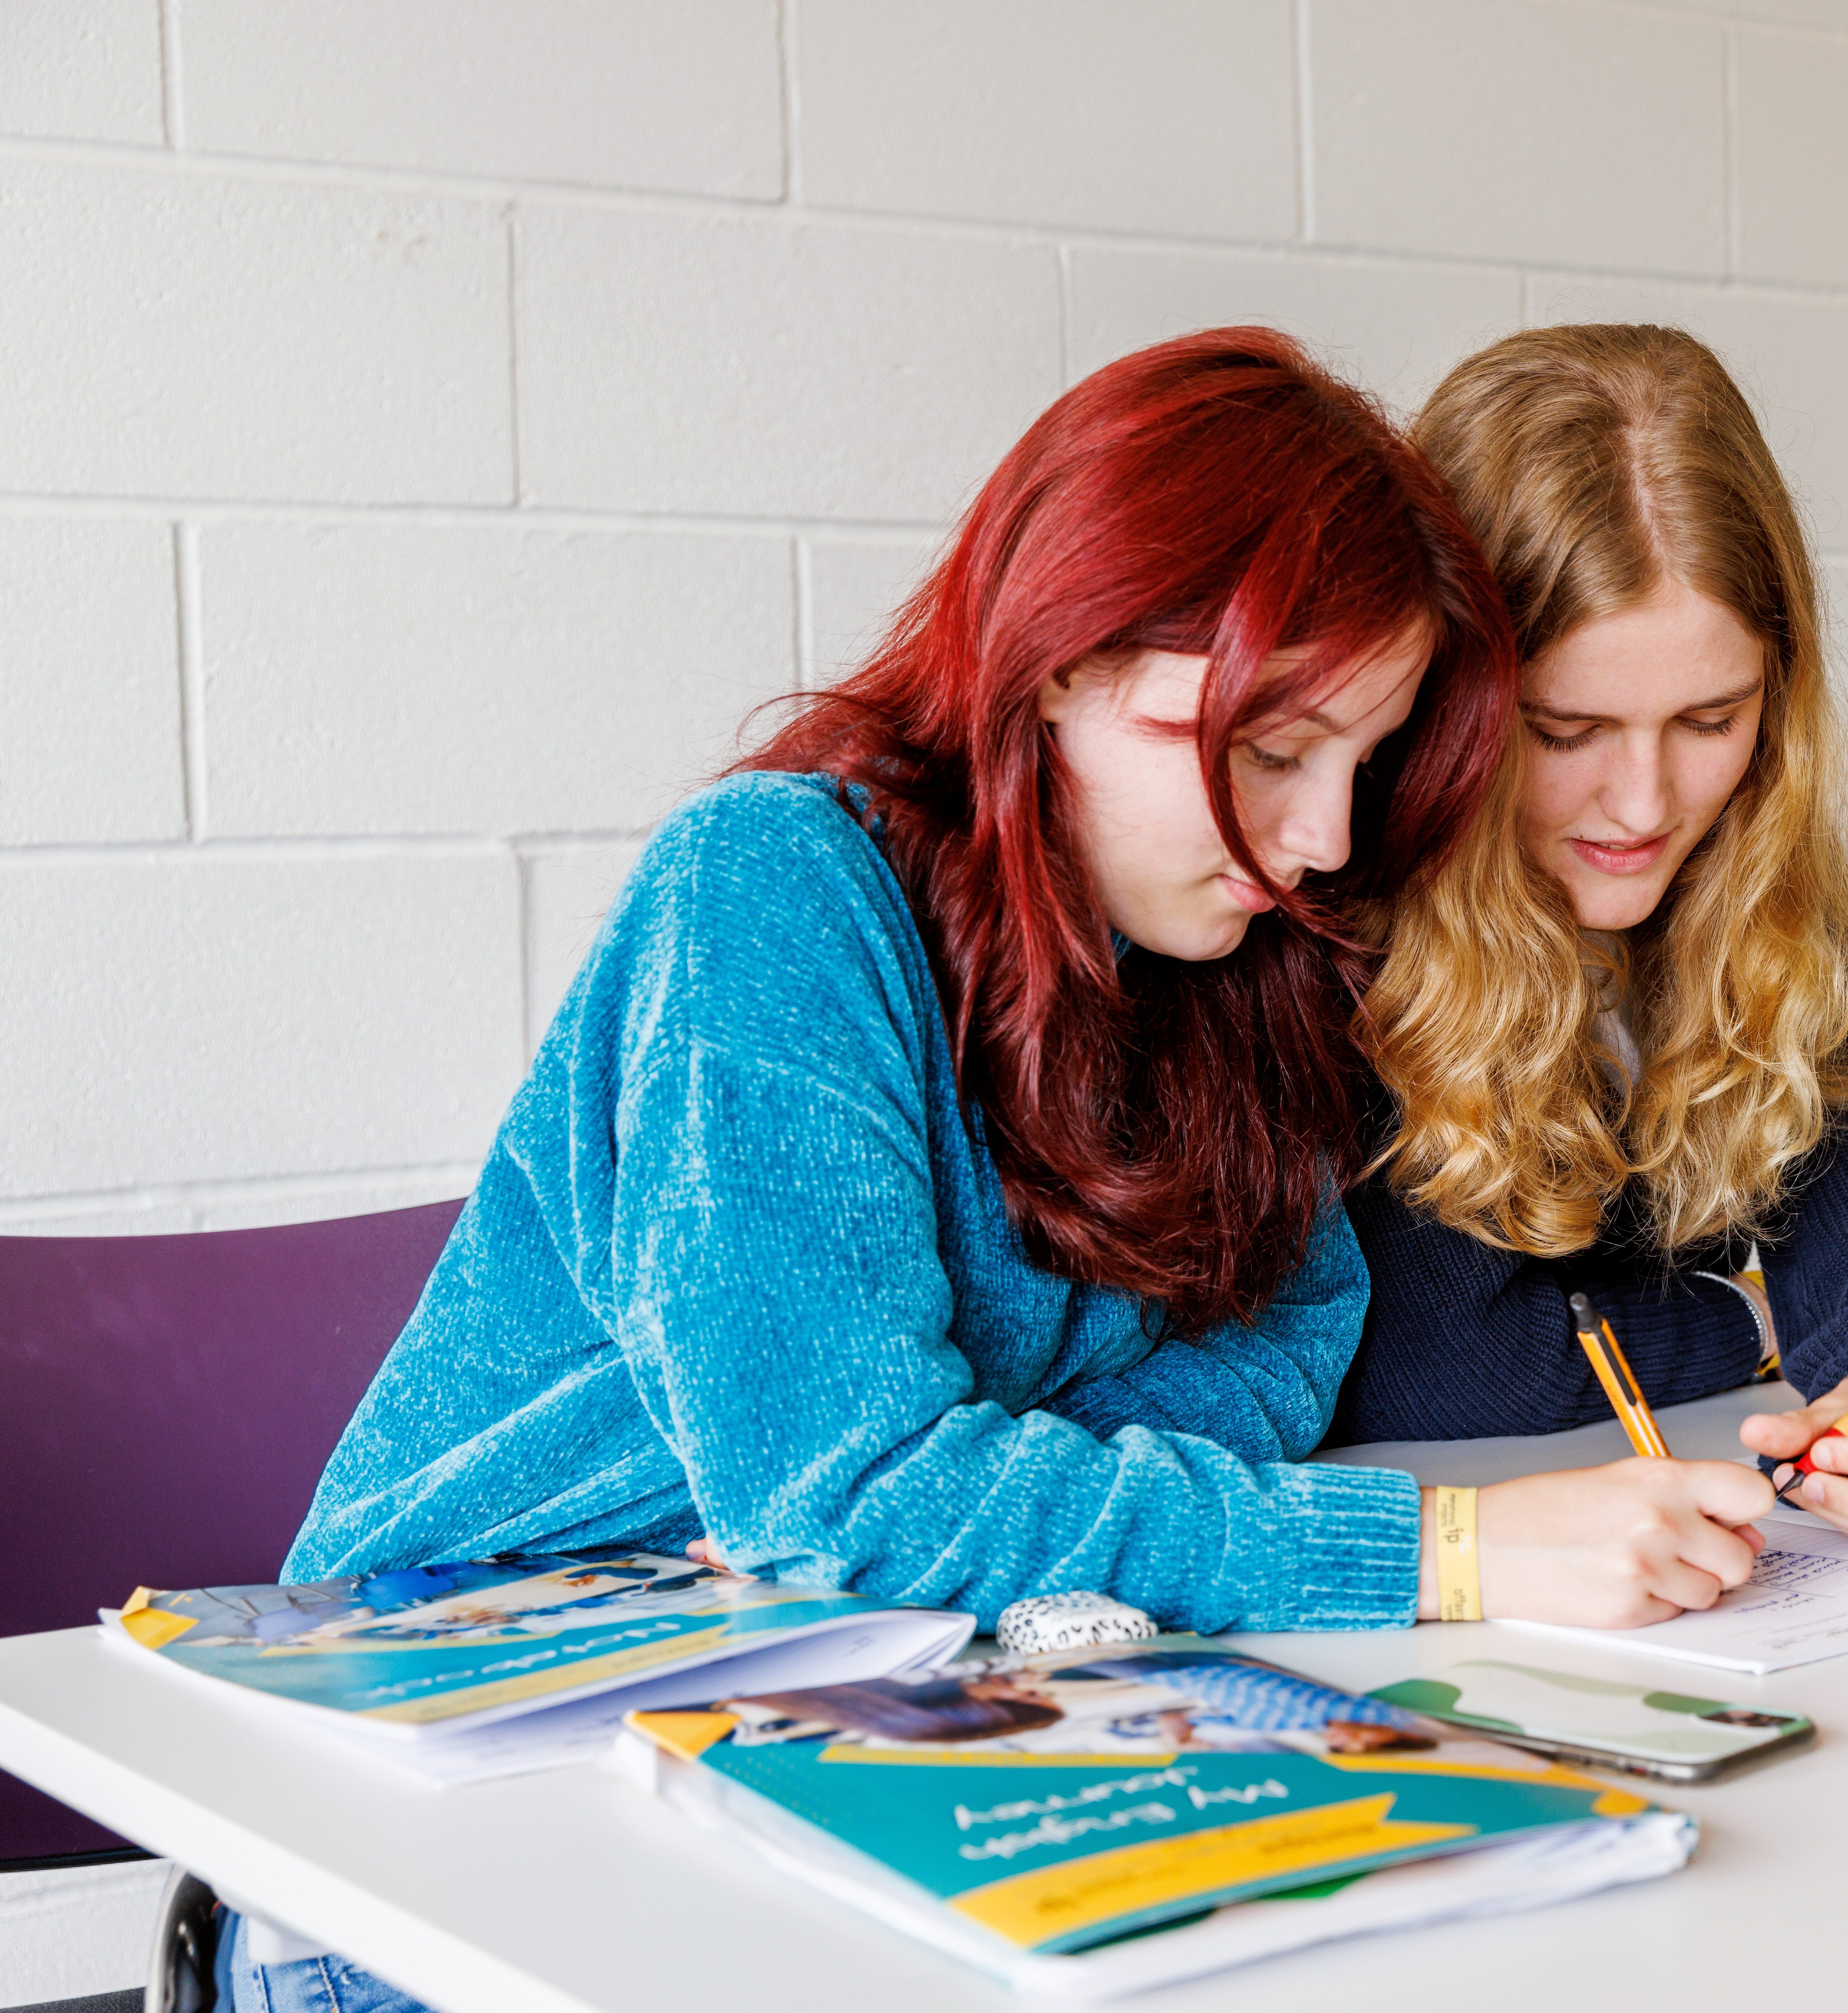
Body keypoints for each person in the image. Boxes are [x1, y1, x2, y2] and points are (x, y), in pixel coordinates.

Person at [235, 329, 1768, 2011]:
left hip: (879, 1712)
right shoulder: (773, 892)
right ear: (1058, 665)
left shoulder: (1242, 947)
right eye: (1267, 752)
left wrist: (967, 1498)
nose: (1325, 837)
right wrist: (1444, 1549)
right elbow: (853, 1497)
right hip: (441, 1817)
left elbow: (1290, 1341)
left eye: (1363, 759)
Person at [1335, 324, 1848, 1549]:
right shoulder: (1326, 901)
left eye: (1710, 718)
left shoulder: (1753, 886)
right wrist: (1748, 1325)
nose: (1646, 807)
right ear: (1448, 699)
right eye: (1564, 732)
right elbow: (1423, 1363)